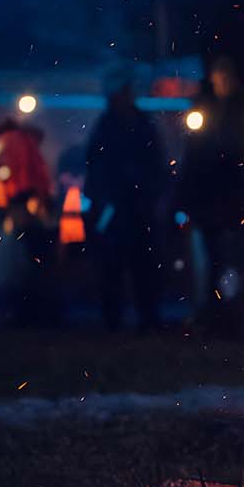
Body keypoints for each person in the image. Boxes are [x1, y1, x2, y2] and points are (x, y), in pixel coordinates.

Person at [179, 56, 244, 333]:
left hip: (237, 200)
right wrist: (186, 198)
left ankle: (240, 316)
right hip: (210, 201)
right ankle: (212, 315)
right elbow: (192, 158)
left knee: (238, 260)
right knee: (212, 262)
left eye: (226, 75)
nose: (222, 81)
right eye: (218, 75)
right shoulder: (204, 108)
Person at [85, 67, 171, 332]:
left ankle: (147, 317)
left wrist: (153, 193)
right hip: (116, 208)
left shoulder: (140, 124)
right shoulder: (108, 126)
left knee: (143, 265)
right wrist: (104, 200)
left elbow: (156, 163)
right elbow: (96, 166)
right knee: (113, 266)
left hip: (138, 206)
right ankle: (114, 319)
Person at [0, 116, 59, 326]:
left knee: (26, 258)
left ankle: (30, 312)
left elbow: (8, 174)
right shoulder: (28, 144)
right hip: (36, 205)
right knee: (39, 259)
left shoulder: (9, 141)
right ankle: (42, 311)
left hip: (24, 204)